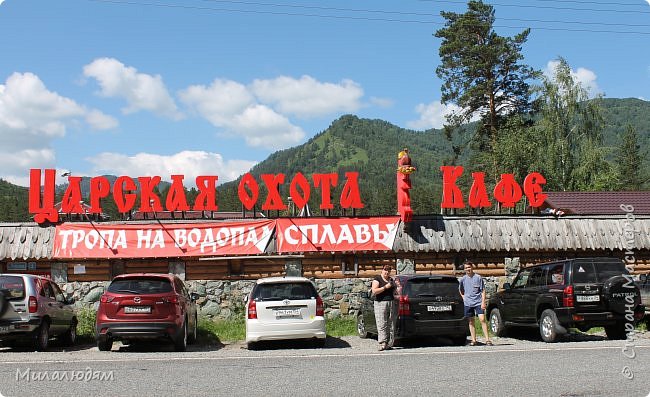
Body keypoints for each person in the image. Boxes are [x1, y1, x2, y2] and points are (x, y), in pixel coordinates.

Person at [459, 260, 493, 346]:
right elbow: (460, 290)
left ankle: (487, 340)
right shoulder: (463, 279)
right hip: (468, 303)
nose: (468, 269)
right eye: (466, 268)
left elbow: (483, 290)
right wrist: (464, 298)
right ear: (464, 269)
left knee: (482, 319)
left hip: (478, 302)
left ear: (472, 267)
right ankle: (474, 340)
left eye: (469, 267)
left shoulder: (478, 277)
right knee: (471, 321)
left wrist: (483, 302)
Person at [371, 264, 397, 351]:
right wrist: (385, 287)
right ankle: (383, 343)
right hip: (380, 302)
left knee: (391, 323)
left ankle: (389, 343)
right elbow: (374, 291)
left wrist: (397, 290)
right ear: (382, 270)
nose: (387, 272)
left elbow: (395, 291)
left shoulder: (391, 279)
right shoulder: (377, 279)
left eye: (388, 270)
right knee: (382, 323)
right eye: (385, 270)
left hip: (391, 302)